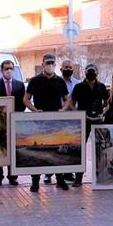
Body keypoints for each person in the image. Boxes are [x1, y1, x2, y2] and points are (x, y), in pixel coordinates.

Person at [23, 53, 71, 192]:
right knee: (39, 151)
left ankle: (60, 180)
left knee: (57, 150)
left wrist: (63, 109)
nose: (50, 65)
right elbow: (26, 99)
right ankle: (35, 181)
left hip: (56, 122)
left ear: (55, 65)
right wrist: (34, 110)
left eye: (52, 63)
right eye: (47, 63)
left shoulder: (60, 81)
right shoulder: (35, 80)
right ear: (42, 64)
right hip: (40, 122)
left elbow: (67, 98)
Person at [67, 63, 109, 187]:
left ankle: (100, 177)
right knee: (80, 149)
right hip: (84, 121)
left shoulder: (101, 87)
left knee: (100, 149)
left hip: (98, 121)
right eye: (89, 71)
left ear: (97, 72)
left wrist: (104, 113)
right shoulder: (79, 87)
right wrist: (80, 114)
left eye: (93, 71)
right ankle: (78, 178)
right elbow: (71, 104)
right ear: (85, 72)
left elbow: (107, 103)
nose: (91, 73)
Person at [0, 60, 26, 186]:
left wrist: (16, 117)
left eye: (11, 68)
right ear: (2, 70)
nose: (9, 70)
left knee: (14, 150)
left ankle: (13, 176)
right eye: (6, 68)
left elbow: (22, 104)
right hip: (0, 122)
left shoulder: (20, 85)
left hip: (14, 122)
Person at [51, 59, 81, 184]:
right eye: (66, 67)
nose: (68, 69)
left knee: (69, 145)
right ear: (61, 69)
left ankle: (68, 173)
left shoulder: (78, 83)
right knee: (55, 144)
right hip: (58, 116)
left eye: (70, 67)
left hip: (73, 118)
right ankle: (49, 174)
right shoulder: (55, 82)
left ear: (73, 69)